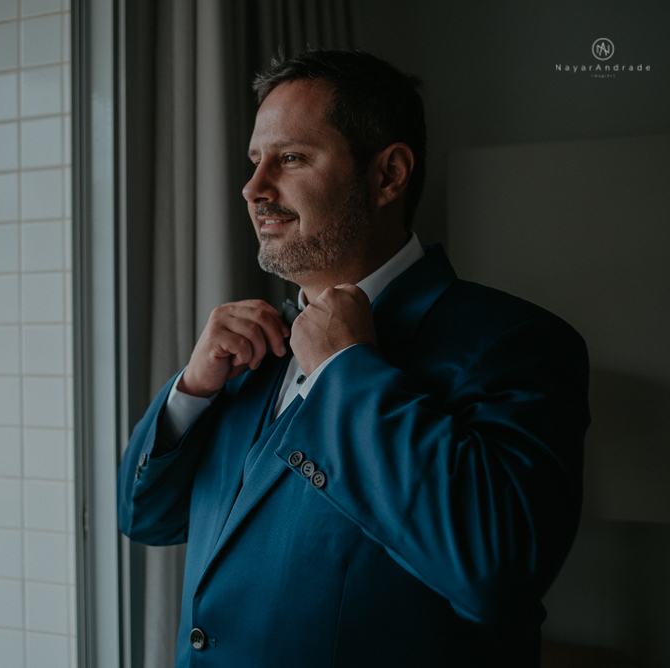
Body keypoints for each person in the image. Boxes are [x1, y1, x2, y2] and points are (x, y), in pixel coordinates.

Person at [117, 49, 590, 667]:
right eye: (255, 161)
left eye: (289, 158)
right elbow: (143, 516)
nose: (254, 188)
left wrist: (347, 370)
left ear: (388, 174)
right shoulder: (247, 354)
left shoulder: (519, 344)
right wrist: (191, 393)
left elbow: (493, 570)